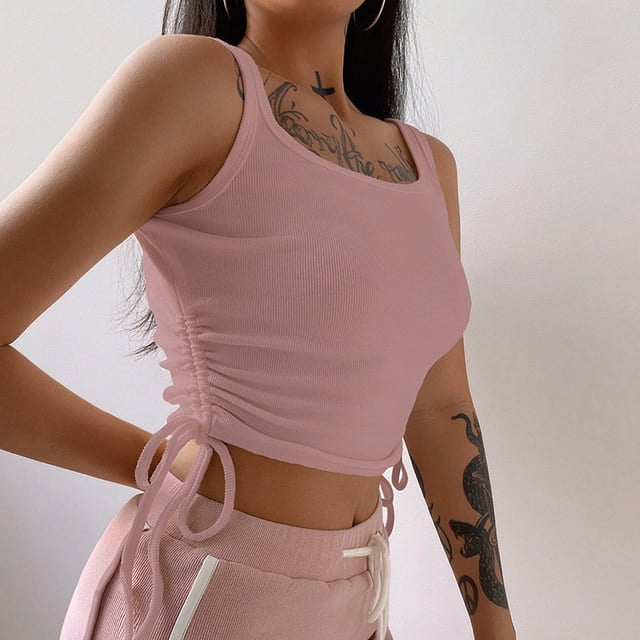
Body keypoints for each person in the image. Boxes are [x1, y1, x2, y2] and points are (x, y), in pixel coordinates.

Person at [0, 1, 517, 639]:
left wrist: (496, 628)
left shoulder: (428, 167)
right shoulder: (197, 85)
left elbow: (440, 407)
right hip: (202, 594)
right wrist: (154, 462)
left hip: (356, 603)